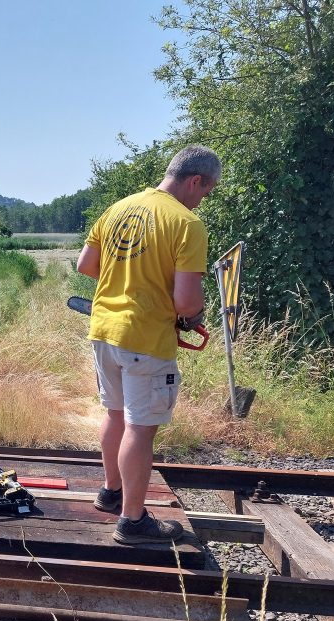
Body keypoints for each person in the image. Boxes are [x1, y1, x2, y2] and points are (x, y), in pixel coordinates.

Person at [76, 145, 220, 545]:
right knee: (140, 429)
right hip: (145, 338)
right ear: (195, 181)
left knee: (115, 414)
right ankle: (133, 522)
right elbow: (187, 302)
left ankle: (111, 492)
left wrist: (129, 281)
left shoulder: (119, 207)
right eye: (205, 191)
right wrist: (193, 315)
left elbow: (86, 265)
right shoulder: (187, 224)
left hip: (104, 329)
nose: (201, 199)